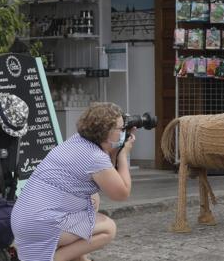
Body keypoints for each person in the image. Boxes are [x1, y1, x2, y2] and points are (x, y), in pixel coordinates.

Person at [11, 102, 136, 261]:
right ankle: (57, 258)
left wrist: (115, 151)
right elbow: (121, 193)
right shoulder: (95, 158)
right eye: (120, 129)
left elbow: (108, 176)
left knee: (92, 199)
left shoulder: (75, 141)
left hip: (24, 220)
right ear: (106, 132)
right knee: (108, 228)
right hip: (41, 226)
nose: (123, 132)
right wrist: (123, 154)